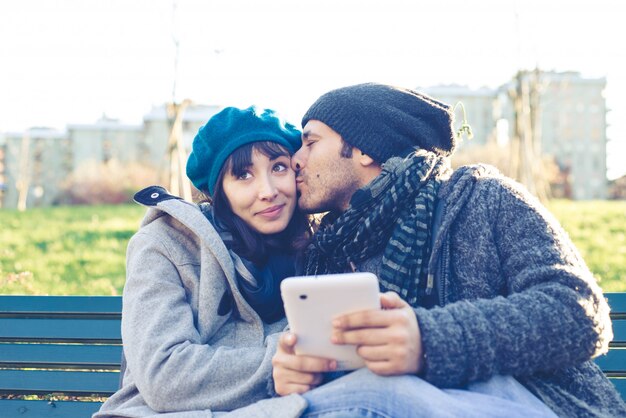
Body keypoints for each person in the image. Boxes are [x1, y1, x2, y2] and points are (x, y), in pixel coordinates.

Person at [271, 83, 626, 417]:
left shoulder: (481, 198)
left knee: (372, 396)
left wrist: (427, 341)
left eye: (310, 143)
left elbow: (578, 311)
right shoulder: (330, 248)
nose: (296, 159)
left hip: (533, 403)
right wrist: (297, 379)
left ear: (365, 149)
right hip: (395, 405)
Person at [94, 106, 312, 417]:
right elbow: (165, 377)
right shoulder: (163, 244)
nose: (268, 191)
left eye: (278, 167)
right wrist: (281, 364)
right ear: (216, 191)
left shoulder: (320, 250)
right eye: (243, 174)